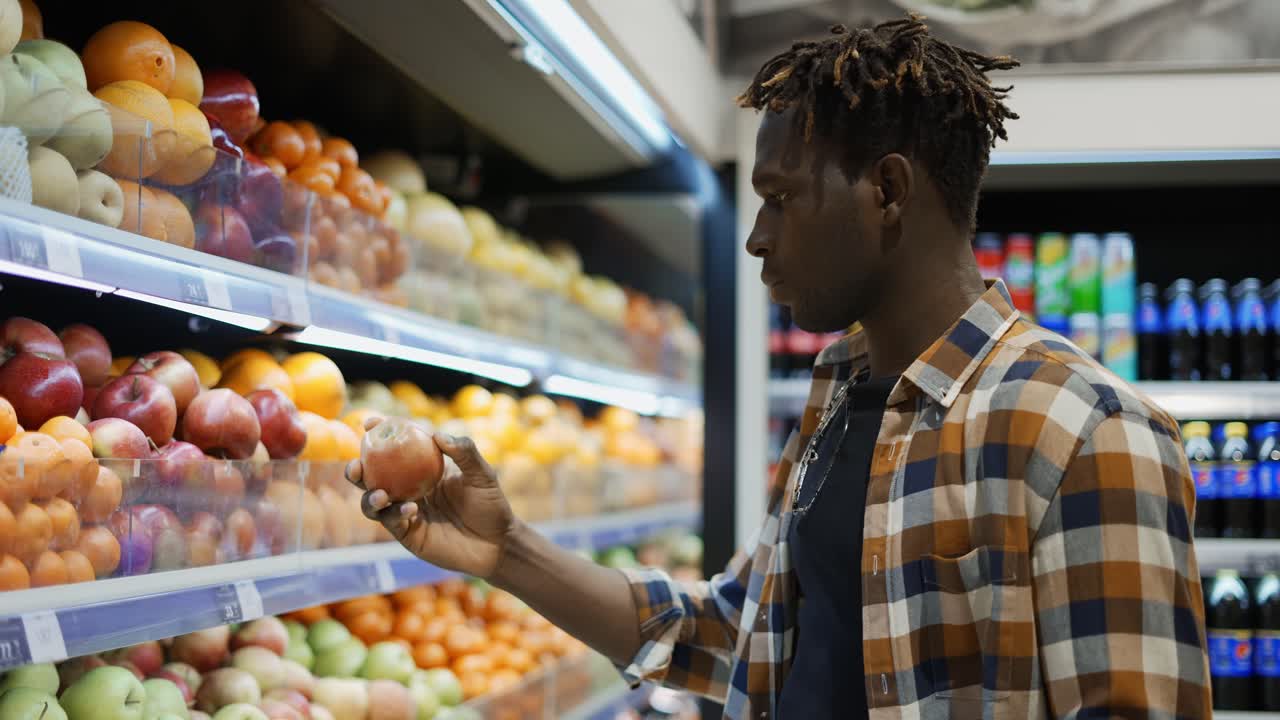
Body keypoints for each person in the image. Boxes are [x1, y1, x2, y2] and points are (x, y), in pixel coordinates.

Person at [346, 14, 1210, 719]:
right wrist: (507, 552)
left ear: (888, 192)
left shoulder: (1087, 432)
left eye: (780, 198)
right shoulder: (838, 396)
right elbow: (735, 634)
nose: (757, 237)